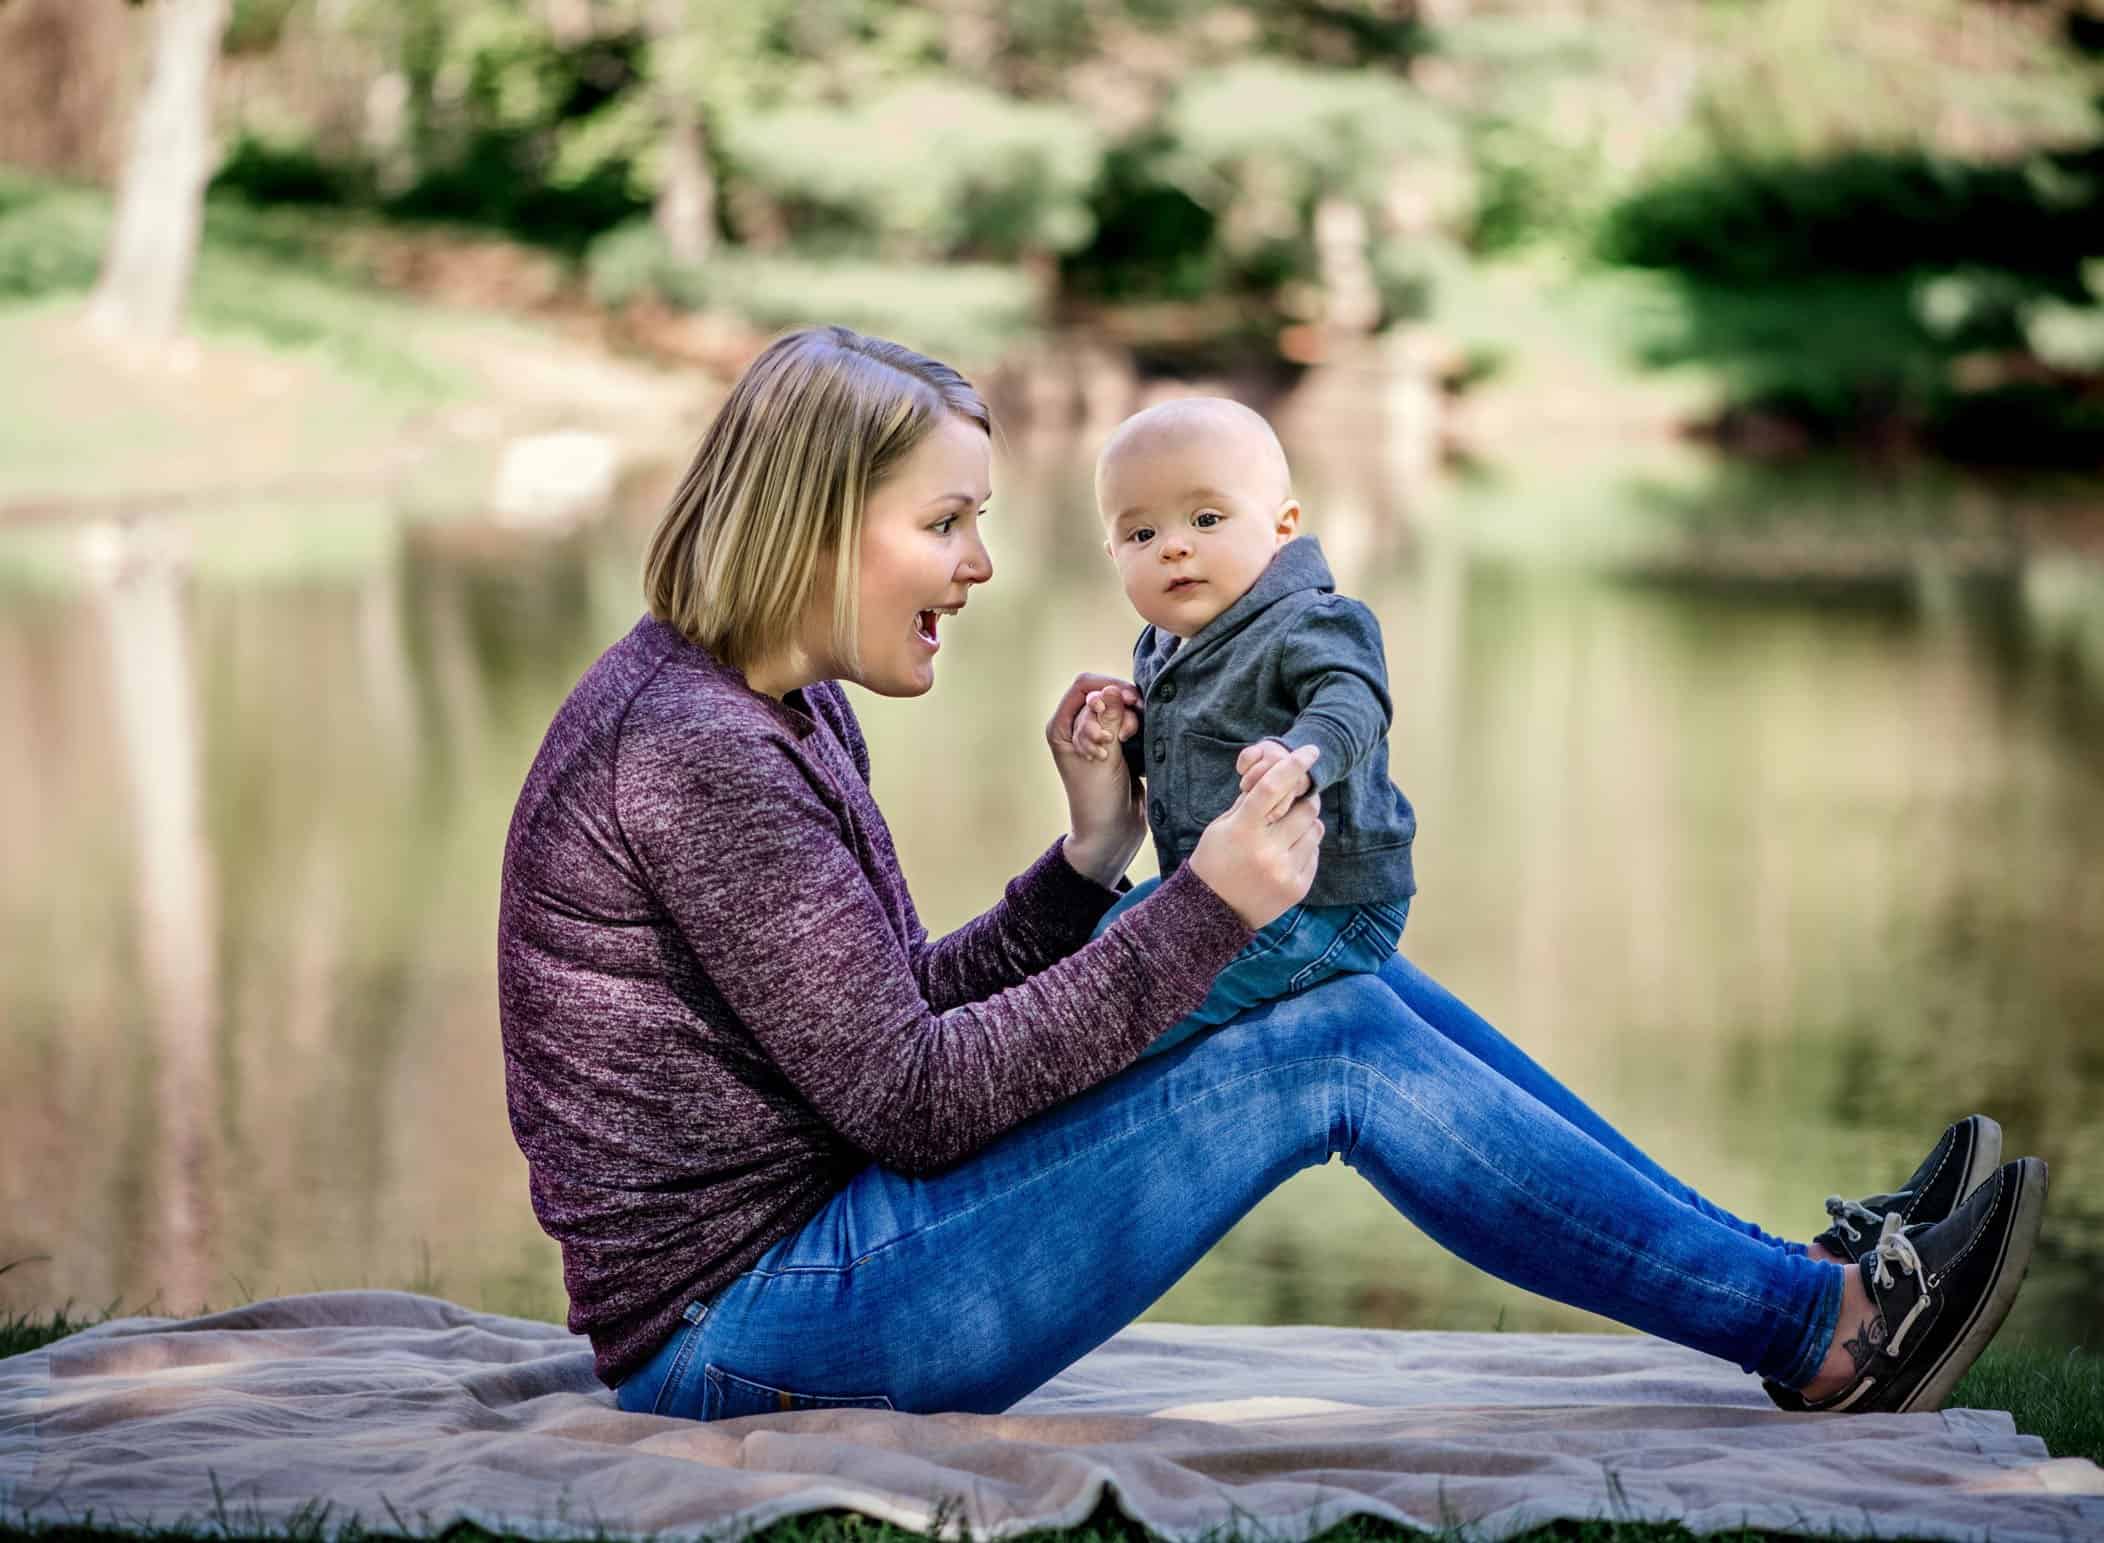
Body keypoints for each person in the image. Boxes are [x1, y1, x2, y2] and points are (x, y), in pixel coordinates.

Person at [496, 324, 2047, 1428]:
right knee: (1329, 1044)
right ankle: (1823, 1330)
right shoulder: (691, 752)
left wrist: (1092, 858)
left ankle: (1802, 1285)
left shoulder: (770, 700)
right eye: (947, 522)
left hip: (828, 1239)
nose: (980, 563)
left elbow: (880, 1027)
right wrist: (1199, 905)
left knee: (1342, 975)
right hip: (746, 1329)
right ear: (821, 525)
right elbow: (912, 1096)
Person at [1069, 396, 1415, 1058]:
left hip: (1322, 902)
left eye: (1206, 519)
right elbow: (1197, 747)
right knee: (1103, 944)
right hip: (1226, 898)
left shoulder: (1312, 620)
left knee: (1129, 1012)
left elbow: (1354, 700)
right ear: (1111, 550)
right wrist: (1124, 737)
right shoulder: (1166, 646)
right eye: (1141, 535)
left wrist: (1298, 755)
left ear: (1282, 527)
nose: (1173, 545)